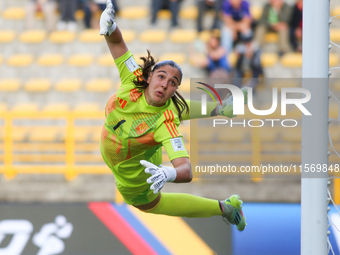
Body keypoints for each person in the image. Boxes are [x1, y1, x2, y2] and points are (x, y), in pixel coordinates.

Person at [98, 0, 247, 231]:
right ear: (149, 76)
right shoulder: (134, 77)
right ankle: (222, 108)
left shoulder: (166, 123)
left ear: (176, 88)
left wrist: (167, 173)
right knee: (168, 107)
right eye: (161, 76)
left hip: (138, 173)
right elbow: (117, 43)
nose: (165, 84)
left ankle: (225, 208)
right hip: (139, 143)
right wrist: (110, 27)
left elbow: (186, 171)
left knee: (149, 204)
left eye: (173, 83)